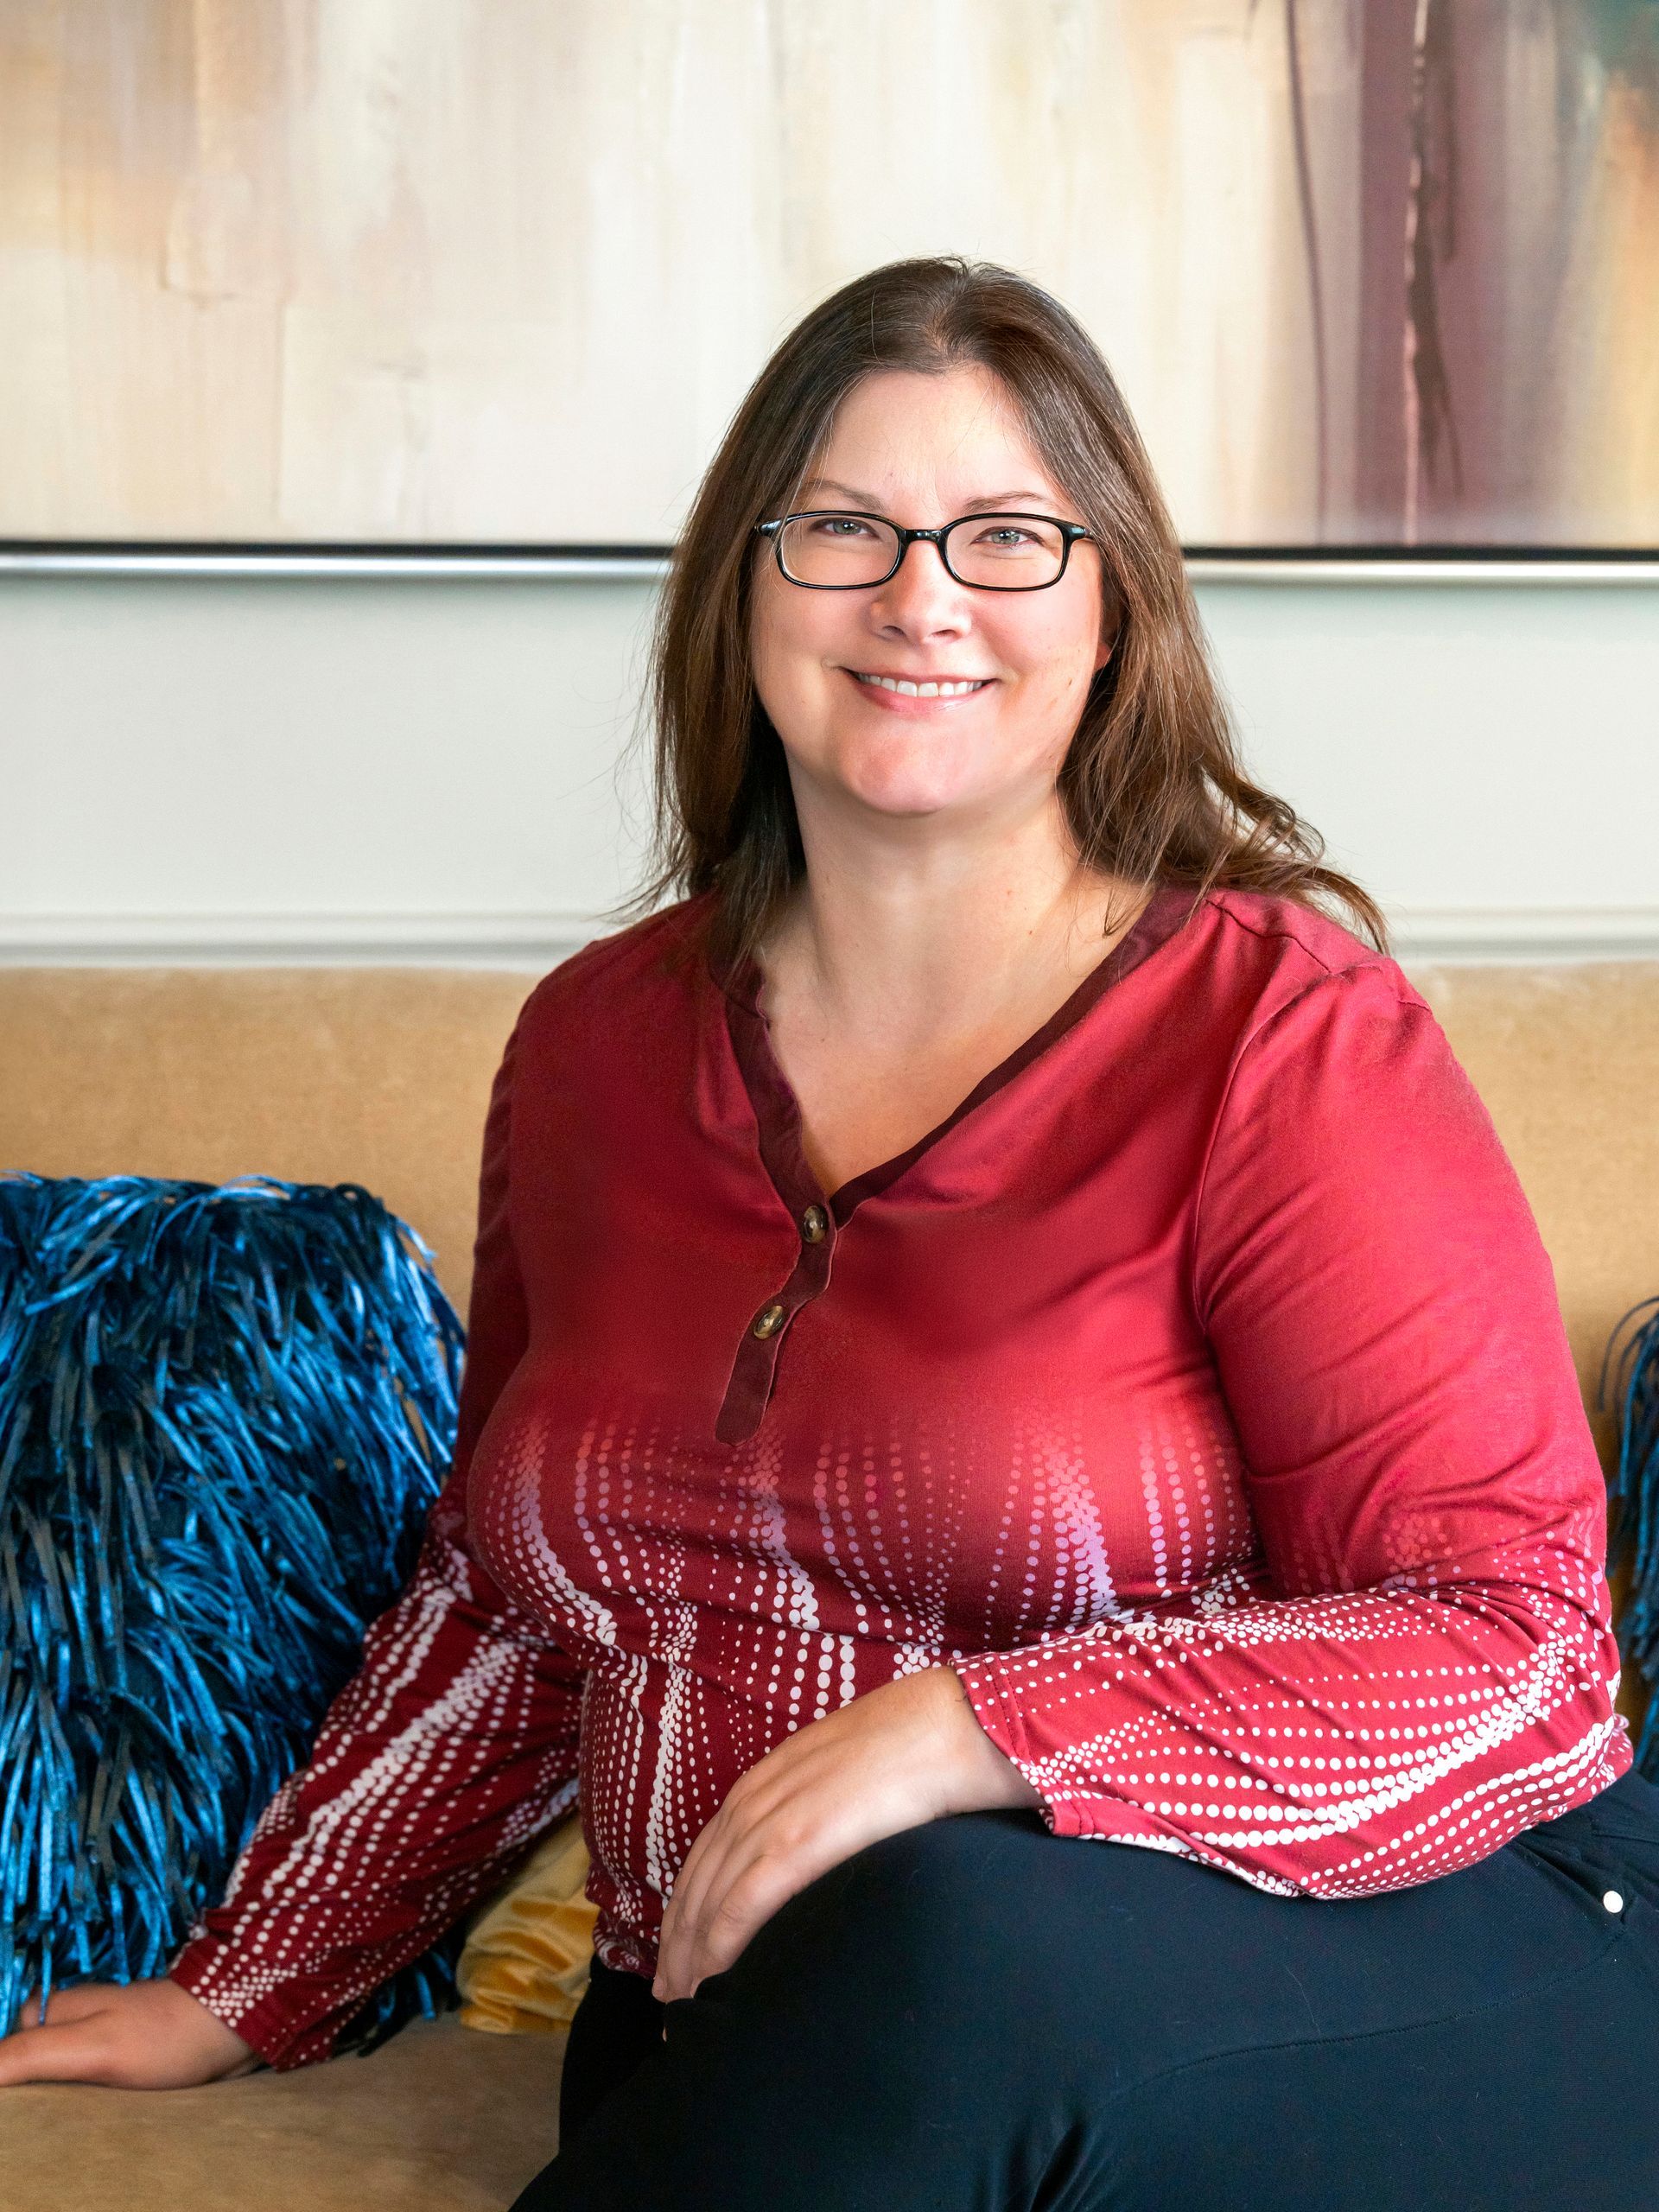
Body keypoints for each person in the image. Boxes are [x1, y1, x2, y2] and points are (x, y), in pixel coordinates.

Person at [3, 255, 1657, 2209]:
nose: (922, 595)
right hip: (762, 2001)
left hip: (1394, 1951)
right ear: (744, 587)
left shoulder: (1280, 1035)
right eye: (845, 527)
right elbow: (513, 1606)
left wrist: (962, 1733)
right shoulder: (594, 1047)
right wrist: (250, 1983)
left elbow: (1508, 1651)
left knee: (939, 1938)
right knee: (821, 1999)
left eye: (1009, 535)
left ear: (1113, 608)